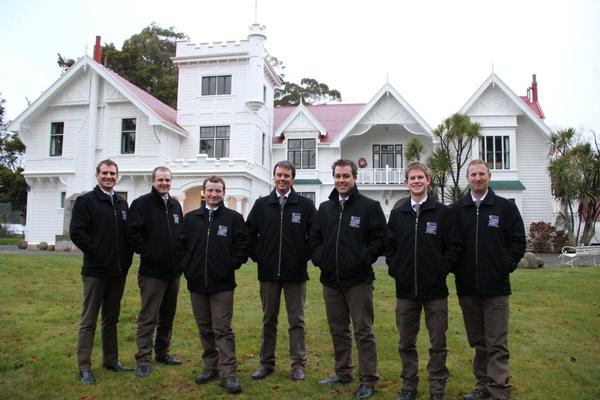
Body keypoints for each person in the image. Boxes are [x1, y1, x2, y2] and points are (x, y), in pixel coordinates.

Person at [310, 159, 386, 399]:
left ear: (355, 178)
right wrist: (320, 257)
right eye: (338, 176)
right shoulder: (325, 208)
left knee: (363, 331)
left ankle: (368, 379)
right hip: (331, 281)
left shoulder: (369, 207)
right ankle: (343, 372)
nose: (341, 181)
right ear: (333, 178)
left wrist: (364, 258)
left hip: (358, 281)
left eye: (346, 176)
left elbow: (380, 239)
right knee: (338, 330)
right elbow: (314, 238)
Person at [451, 160, 526, 400]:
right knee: (479, 341)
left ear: (489, 176)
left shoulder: (504, 208)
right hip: (468, 288)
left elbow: (518, 242)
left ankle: (499, 390)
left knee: (497, 342)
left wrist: (504, 265)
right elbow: (450, 245)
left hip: (496, 288)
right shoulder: (456, 210)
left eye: (482, 174)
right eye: (473, 174)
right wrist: (456, 269)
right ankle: (482, 386)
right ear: (467, 177)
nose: (477, 178)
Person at [386, 162, 461, 400]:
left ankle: (437, 387)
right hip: (406, 291)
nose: (416, 181)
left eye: (421, 177)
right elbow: (390, 248)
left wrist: (440, 270)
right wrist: (397, 270)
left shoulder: (442, 213)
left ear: (428, 180)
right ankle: (409, 387)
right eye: (412, 178)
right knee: (406, 343)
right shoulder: (398, 214)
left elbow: (454, 246)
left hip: (435, 292)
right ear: (406, 182)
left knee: (438, 343)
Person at [246, 160, 317, 382]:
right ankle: (266, 363)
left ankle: (298, 364)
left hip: (295, 274)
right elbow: (248, 235)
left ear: (292, 178)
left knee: (296, 320)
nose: (282, 179)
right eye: (279, 175)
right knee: (269, 319)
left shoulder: (305, 206)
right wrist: (260, 257)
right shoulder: (261, 205)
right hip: (268, 274)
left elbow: (314, 237)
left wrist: (300, 257)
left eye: (287, 175)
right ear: (274, 177)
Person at [179, 176, 249, 394]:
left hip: (222, 285)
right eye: (210, 190)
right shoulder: (190, 219)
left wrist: (229, 265)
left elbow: (243, 246)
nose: (213, 194)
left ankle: (229, 373)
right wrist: (188, 268)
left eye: (218, 191)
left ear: (223, 192)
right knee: (205, 328)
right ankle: (211, 366)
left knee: (222, 329)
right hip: (197, 284)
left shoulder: (233, 218)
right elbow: (181, 246)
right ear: (204, 192)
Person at [70, 159, 134, 384]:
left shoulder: (122, 203)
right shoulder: (86, 201)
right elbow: (78, 233)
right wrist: (99, 254)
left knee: (111, 318)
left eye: (112, 173)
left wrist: (124, 260)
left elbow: (127, 236)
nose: (109, 177)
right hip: (96, 271)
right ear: (97, 175)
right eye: (105, 173)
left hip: (118, 272)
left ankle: (111, 359)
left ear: (118, 176)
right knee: (89, 320)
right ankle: (84, 366)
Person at [127, 166, 184, 378]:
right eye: (160, 180)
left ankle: (162, 352)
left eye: (167, 180)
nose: (164, 183)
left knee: (167, 317)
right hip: (152, 272)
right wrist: (149, 252)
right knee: (148, 317)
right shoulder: (142, 204)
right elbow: (132, 233)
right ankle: (143, 359)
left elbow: (180, 235)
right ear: (153, 181)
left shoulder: (176, 205)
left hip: (173, 272)